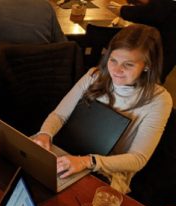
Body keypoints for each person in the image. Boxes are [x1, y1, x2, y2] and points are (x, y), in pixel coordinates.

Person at [33, 24, 173, 194]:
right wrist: (45, 134)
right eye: (113, 60)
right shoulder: (95, 75)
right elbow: (59, 115)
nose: (116, 70)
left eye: (128, 65)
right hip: (68, 151)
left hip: (107, 170)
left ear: (147, 65)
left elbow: (138, 158)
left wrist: (87, 162)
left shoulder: (159, 100)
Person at [110, 0, 176, 83]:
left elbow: (153, 12)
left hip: (163, 50)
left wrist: (122, 10)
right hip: (163, 48)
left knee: (153, 76)